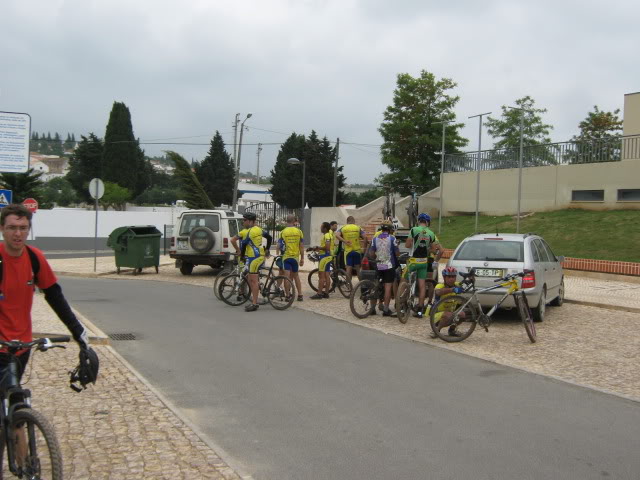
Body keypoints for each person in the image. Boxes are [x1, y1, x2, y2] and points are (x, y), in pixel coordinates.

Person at [0, 204, 98, 465]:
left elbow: (55, 296)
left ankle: (24, 466)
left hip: (20, 346)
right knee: (8, 397)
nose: (17, 234)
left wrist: (79, 332)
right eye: (12, 228)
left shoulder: (34, 258)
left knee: (15, 403)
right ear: (2, 229)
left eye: (22, 228)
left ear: (28, 229)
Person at [231, 212, 272, 312]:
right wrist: (267, 249)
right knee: (251, 279)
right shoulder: (259, 229)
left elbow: (244, 244)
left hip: (254, 258)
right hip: (259, 256)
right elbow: (269, 237)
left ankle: (254, 304)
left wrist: (242, 256)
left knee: (253, 281)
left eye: (244, 220)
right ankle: (254, 299)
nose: (243, 222)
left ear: (250, 221)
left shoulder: (250, 231)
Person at [404, 213, 441, 318]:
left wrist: (413, 244)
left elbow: (407, 245)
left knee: (404, 280)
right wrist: (426, 248)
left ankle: (402, 305)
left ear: (419, 221)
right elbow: (434, 250)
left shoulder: (414, 230)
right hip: (424, 262)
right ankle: (420, 310)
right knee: (422, 285)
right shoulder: (431, 233)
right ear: (427, 222)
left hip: (413, 261)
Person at [367, 222, 400, 316]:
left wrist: (377, 258)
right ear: (389, 230)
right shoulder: (392, 238)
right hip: (389, 266)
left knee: (375, 286)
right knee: (388, 288)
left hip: (379, 265)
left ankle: (372, 309)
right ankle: (386, 310)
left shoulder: (375, 239)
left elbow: (371, 254)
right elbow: (397, 254)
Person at [431, 266, 466, 337]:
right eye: (449, 277)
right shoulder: (440, 285)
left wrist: (471, 278)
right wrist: (452, 290)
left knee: (462, 314)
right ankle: (436, 331)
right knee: (448, 315)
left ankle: (452, 331)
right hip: (436, 315)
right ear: (444, 278)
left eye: (453, 277)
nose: (451, 279)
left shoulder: (457, 284)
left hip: (450, 314)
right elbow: (438, 292)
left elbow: (465, 284)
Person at [334, 216, 367, 284]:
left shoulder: (343, 228)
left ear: (347, 221)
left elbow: (337, 235)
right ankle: (361, 285)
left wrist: (345, 241)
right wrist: (364, 249)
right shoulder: (358, 228)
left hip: (348, 252)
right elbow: (365, 238)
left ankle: (349, 285)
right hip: (357, 251)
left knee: (348, 269)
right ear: (354, 221)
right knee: (358, 269)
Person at [279, 215, 305, 301]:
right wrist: (302, 258)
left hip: (286, 257)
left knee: (286, 277)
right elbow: (301, 246)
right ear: (294, 221)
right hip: (295, 258)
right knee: (296, 276)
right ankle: (300, 295)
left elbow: (279, 245)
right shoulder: (299, 231)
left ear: (287, 221)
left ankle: (287, 295)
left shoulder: (283, 232)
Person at [310, 222, 333, 300]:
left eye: (321, 227)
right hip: (327, 256)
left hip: (325, 257)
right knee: (327, 275)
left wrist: (318, 247)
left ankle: (319, 293)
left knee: (321, 276)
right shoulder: (328, 234)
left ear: (325, 228)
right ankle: (326, 293)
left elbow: (327, 247)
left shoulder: (327, 235)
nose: (320, 228)